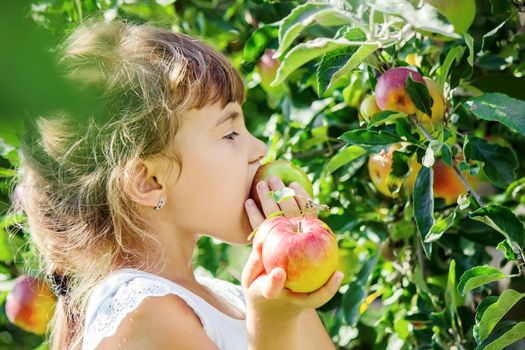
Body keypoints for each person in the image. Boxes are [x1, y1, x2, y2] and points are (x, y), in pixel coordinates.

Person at [14, 16, 343, 350]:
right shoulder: (145, 313)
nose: (259, 150)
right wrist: (274, 325)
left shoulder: (223, 297)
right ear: (149, 181)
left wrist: (287, 290)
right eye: (229, 132)